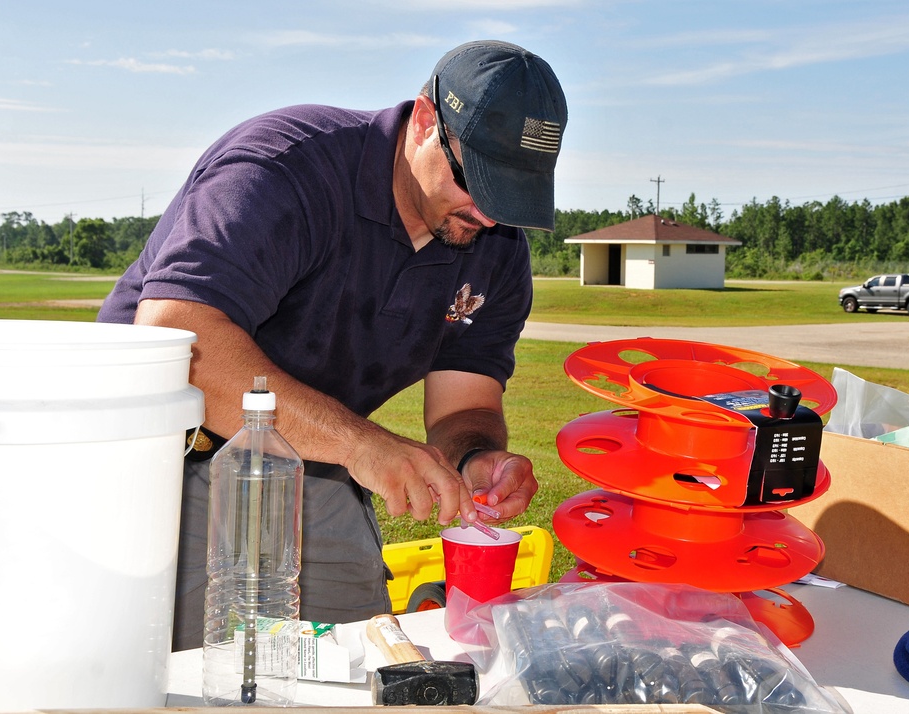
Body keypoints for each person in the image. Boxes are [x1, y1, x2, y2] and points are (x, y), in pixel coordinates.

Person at [97, 39, 568, 651]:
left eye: (510, 194)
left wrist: (474, 457)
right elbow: (177, 338)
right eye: (475, 180)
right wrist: (360, 445)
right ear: (426, 121)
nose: (487, 213)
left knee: (369, 662)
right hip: (162, 464)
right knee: (180, 678)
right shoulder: (285, 169)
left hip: (314, 469)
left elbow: (465, 404)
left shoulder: (497, 250)